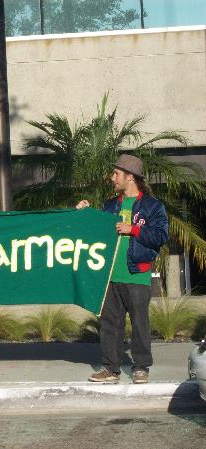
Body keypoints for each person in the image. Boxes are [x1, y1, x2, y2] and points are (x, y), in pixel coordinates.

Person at [77, 154, 168, 384]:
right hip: (109, 276)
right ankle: (110, 369)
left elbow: (161, 235)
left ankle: (141, 367)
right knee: (109, 325)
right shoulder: (110, 206)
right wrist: (86, 214)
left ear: (130, 177)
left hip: (137, 273)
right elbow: (96, 232)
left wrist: (133, 229)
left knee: (139, 323)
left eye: (116, 174)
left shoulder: (151, 206)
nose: (112, 178)